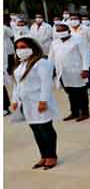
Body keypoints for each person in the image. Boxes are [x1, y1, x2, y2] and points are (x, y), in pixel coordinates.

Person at [8, 37, 59, 170]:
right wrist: (14, 100)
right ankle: (44, 155)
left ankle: (52, 156)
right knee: (36, 130)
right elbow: (17, 85)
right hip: (27, 104)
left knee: (46, 129)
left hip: (40, 102)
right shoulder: (20, 64)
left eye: (23, 46)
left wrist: (43, 101)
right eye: (18, 47)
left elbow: (46, 83)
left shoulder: (41, 62)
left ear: (32, 47)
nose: (20, 50)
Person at [48, 23, 90, 122]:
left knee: (81, 92)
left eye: (63, 30)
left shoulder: (78, 40)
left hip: (77, 71)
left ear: (68, 30)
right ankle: (74, 112)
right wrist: (49, 70)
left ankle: (85, 112)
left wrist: (85, 69)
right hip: (63, 73)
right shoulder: (54, 43)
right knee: (70, 93)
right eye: (58, 31)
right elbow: (51, 58)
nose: (61, 32)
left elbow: (85, 54)